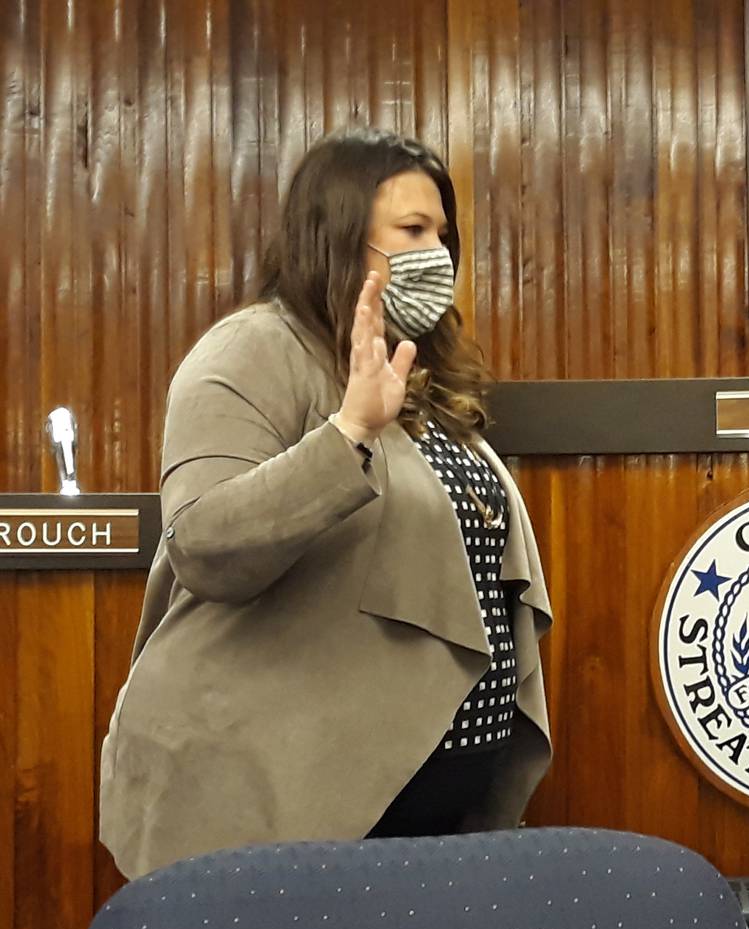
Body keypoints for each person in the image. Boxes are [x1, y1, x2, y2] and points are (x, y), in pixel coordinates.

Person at [100, 129, 552, 880]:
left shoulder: (417, 377)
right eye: (411, 231)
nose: (436, 254)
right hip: (278, 815)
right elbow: (203, 544)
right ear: (339, 239)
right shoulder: (251, 352)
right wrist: (347, 434)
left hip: (423, 823)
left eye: (442, 234)